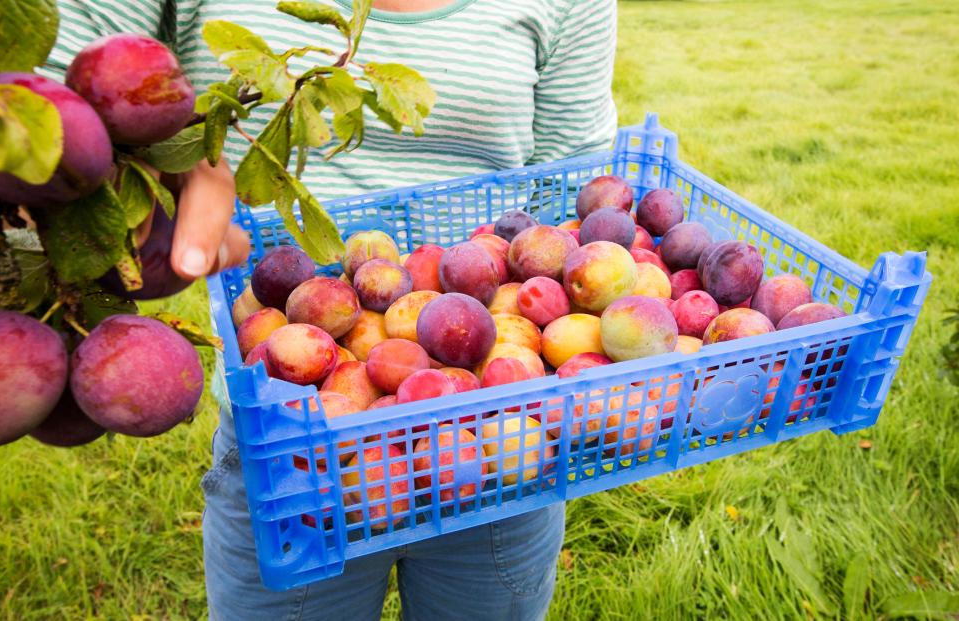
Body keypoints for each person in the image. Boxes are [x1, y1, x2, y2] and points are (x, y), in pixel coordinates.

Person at [46, 1, 618, 618]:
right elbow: (47, 113)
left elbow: (568, 189)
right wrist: (178, 162)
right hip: (290, 447)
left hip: (497, 432)